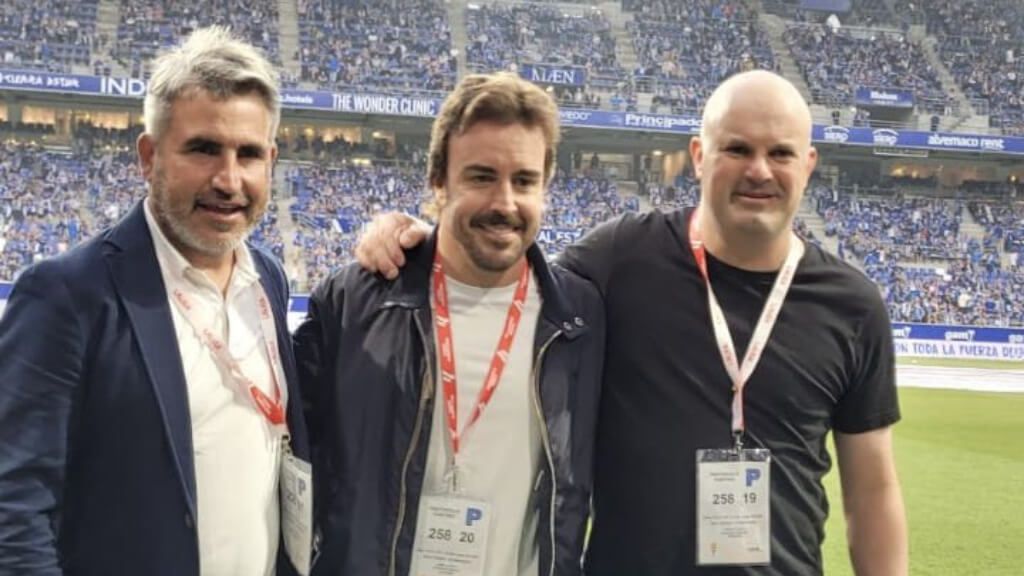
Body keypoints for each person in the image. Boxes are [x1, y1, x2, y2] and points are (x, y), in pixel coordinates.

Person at [354, 70, 908, 575]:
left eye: (780, 153)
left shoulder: (852, 306)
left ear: (808, 164)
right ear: (698, 155)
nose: (758, 170)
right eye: (736, 148)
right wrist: (410, 232)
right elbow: (503, 257)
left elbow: (873, 492)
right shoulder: (622, 257)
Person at [0, 27, 311, 576]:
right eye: (203, 148)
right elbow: (15, 508)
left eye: (249, 154)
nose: (228, 179)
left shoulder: (267, 278)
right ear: (149, 156)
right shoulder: (65, 295)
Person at [293, 72, 605, 576]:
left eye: (524, 181)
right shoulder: (355, 303)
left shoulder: (580, 318)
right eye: (481, 177)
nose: (504, 203)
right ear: (438, 183)